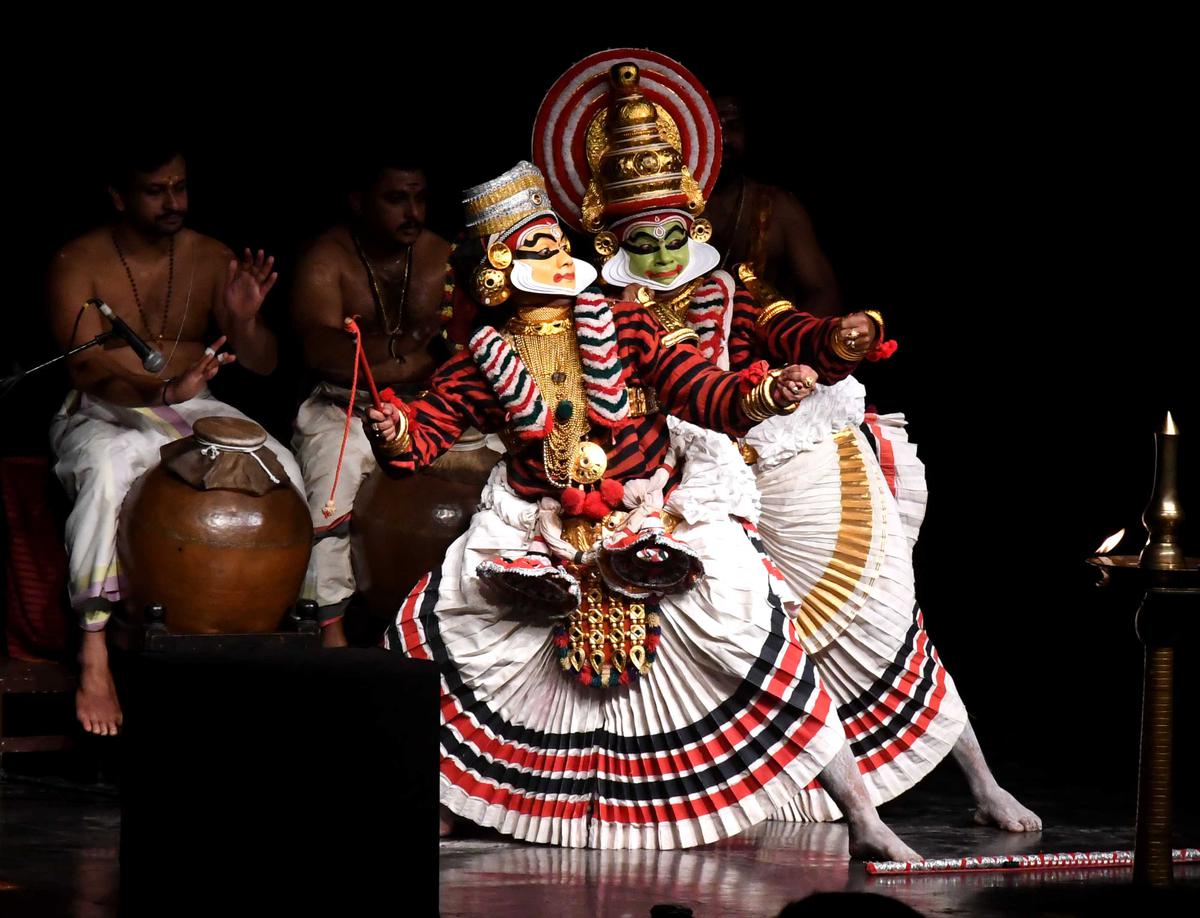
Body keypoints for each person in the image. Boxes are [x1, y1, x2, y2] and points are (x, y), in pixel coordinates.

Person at [536, 51, 1039, 832]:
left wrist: (836, 341)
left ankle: (979, 780)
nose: (665, 255)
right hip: (656, 491)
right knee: (744, 651)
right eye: (645, 240)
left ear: (693, 226)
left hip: (760, 461)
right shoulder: (597, 311)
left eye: (675, 235)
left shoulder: (721, 287)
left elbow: (784, 327)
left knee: (883, 620)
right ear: (612, 237)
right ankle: (793, 804)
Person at [366, 161, 920, 858]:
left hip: (653, 512)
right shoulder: (483, 361)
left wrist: (765, 397)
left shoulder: (627, 325)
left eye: (556, 245)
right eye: (537, 250)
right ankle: (446, 799)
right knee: (439, 632)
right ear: (497, 271)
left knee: (758, 635)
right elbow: (422, 440)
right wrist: (393, 434)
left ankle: (862, 816)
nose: (558, 259)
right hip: (538, 525)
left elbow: (705, 392)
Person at [47, 145, 303, 736]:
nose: (173, 202)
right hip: (103, 409)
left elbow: (263, 366)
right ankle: (94, 651)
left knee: (283, 466)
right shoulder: (77, 261)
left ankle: (281, 640)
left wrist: (243, 322)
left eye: (180, 188)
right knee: (111, 471)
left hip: (194, 403)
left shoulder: (212, 256)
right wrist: (163, 391)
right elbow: (87, 371)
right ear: (118, 195)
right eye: (156, 190)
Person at [290, 155, 452, 645]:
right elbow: (320, 351)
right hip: (347, 407)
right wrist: (408, 347)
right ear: (360, 202)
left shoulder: (443, 255)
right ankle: (330, 632)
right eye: (396, 198)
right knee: (328, 488)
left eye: (420, 197)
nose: (413, 212)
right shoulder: (328, 259)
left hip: (433, 409)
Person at [704, 93, 840, 317]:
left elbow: (823, 293)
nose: (724, 138)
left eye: (733, 125)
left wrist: (792, 341)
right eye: (713, 126)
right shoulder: (665, 207)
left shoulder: (777, 207)